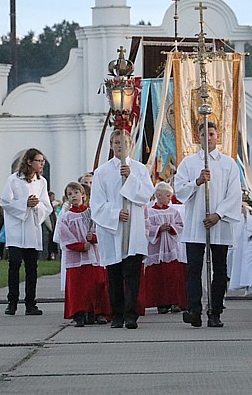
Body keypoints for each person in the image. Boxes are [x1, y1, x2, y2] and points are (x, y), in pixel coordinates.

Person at [174, 121, 242, 328]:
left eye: (212, 134)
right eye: (204, 134)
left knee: (219, 269)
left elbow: (234, 193)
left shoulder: (228, 163)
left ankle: (215, 310)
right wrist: (197, 182)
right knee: (194, 268)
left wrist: (219, 214)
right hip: (196, 223)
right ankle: (194, 309)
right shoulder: (188, 163)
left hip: (219, 223)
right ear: (198, 137)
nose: (208, 138)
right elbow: (179, 190)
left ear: (217, 136)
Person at [91, 129, 155, 329]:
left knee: (132, 273)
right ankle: (117, 313)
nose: (121, 146)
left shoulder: (139, 169)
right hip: (112, 230)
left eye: (124, 142)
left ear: (131, 145)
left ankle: (131, 314)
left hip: (133, 229)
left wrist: (131, 178)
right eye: (117, 142)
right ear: (111, 145)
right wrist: (115, 213)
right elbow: (97, 204)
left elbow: (146, 195)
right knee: (115, 274)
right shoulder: (102, 172)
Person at [0, 148, 53, 316]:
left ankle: (31, 303)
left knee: (32, 268)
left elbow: (47, 206)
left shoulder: (41, 182)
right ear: (29, 162)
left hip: (32, 228)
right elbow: (5, 202)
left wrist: (36, 205)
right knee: (14, 265)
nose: (42, 164)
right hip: (16, 230)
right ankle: (12, 302)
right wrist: (24, 203)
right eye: (39, 160)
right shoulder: (13, 180)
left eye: (43, 161)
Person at [56, 182, 110, 326]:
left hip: (93, 255)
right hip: (77, 256)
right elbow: (65, 236)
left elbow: (101, 230)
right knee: (78, 286)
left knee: (97, 283)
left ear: (83, 195)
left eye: (76, 193)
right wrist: (80, 245)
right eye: (70, 194)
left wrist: (93, 238)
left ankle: (98, 311)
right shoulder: (66, 216)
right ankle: (79, 313)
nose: (73, 196)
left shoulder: (92, 213)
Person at [139, 182, 187, 314]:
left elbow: (180, 225)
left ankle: (174, 301)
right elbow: (146, 227)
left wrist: (171, 228)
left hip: (171, 247)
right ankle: (160, 303)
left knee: (172, 275)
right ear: (158, 195)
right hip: (156, 247)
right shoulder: (150, 211)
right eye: (168, 195)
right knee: (157, 276)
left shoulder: (173, 211)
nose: (170, 198)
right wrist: (159, 229)